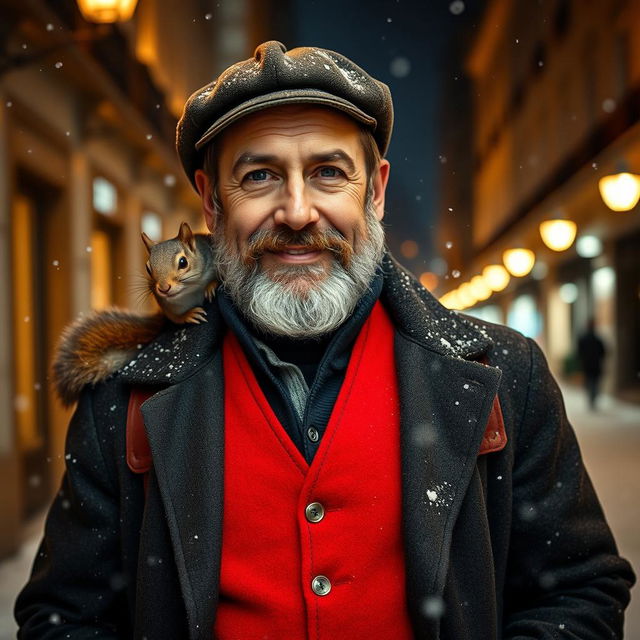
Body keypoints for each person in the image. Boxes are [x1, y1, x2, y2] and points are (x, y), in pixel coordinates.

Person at [15, 41, 634, 639]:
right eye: (259, 176)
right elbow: (63, 616)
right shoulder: (122, 401)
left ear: (377, 191)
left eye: (328, 173)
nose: (297, 211)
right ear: (210, 203)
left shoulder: (507, 375)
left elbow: (578, 589)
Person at [577, 317, 607, 410]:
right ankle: (593, 398)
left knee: (589, 382)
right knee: (595, 382)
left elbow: (579, 352)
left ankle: (591, 398)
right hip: (596, 364)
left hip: (587, 364)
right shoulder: (597, 339)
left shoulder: (583, 339)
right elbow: (603, 352)